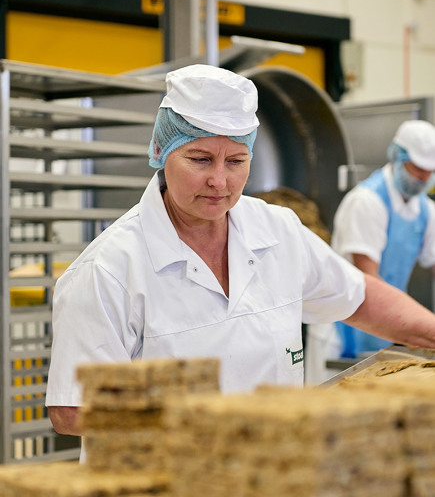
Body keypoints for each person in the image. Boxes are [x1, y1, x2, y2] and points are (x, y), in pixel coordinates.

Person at [46, 65, 435, 436]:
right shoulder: (108, 269)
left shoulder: (277, 230)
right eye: (200, 159)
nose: (219, 181)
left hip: (272, 481)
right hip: (169, 491)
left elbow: (359, 297)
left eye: (236, 161)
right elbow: (72, 410)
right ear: (162, 152)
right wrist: (215, 432)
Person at [332, 120, 435, 358]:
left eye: (430, 171)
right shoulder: (367, 202)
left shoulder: (426, 210)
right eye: (418, 169)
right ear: (397, 157)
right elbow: (368, 279)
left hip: (389, 324)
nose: (423, 178)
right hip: (345, 328)